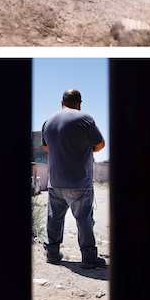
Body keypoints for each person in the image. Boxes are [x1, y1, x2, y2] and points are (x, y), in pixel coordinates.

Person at [42, 88, 106, 269]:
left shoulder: (48, 122)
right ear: (79, 104)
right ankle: (88, 258)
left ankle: (52, 254)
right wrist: (84, 149)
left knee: (54, 218)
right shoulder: (85, 119)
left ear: (61, 103)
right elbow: (100, 144)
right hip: (79, 182)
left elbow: (47, 149)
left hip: (55, 182)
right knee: (84, 219)